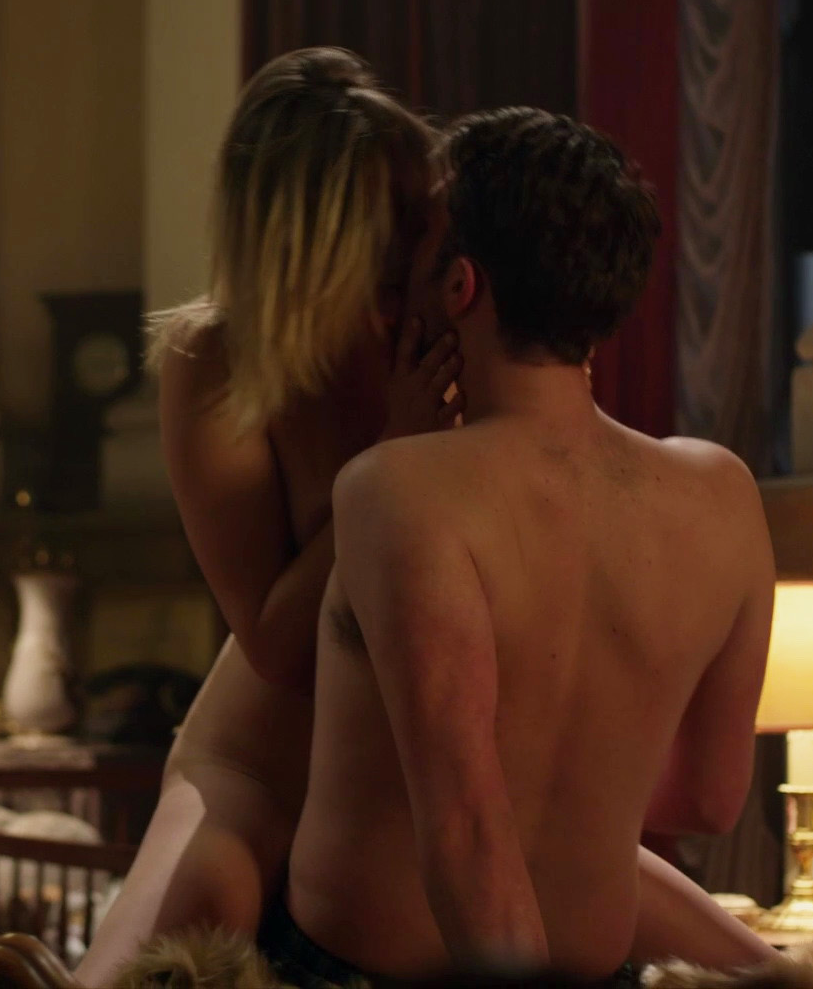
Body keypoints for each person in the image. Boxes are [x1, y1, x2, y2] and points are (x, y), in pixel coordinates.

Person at [269, 107, 778, 984]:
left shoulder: (397, 487)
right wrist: (576, 785)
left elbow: (468, 827)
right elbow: (709, 798)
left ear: (459, 286)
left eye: (415, 252)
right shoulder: (723, 493)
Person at [74, 45, 461, 985]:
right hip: (258, 760)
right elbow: (278, 647)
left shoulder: (448, 327)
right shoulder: (216, 360)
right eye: (400, 217)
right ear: (318, 238)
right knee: (164, 956)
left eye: (424, 209)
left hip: (408, 761)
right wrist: (390, 460)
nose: (427, 237)